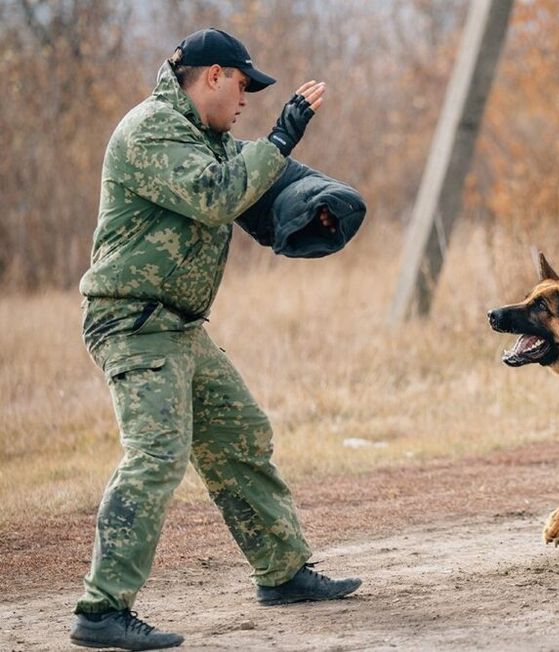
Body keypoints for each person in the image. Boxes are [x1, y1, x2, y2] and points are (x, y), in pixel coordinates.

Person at [71, 28, 360, 650]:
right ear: (212, 76)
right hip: (132, 322)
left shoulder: (208, 140)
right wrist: (283, 136)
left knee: (239, 435)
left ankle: (283, 574)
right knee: (156, 456)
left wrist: (318, 208)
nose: (248, 98)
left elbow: (260, 197)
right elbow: (214, 196)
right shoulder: (151, 130)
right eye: (243, 84)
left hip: (177, 326)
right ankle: (101, 609)